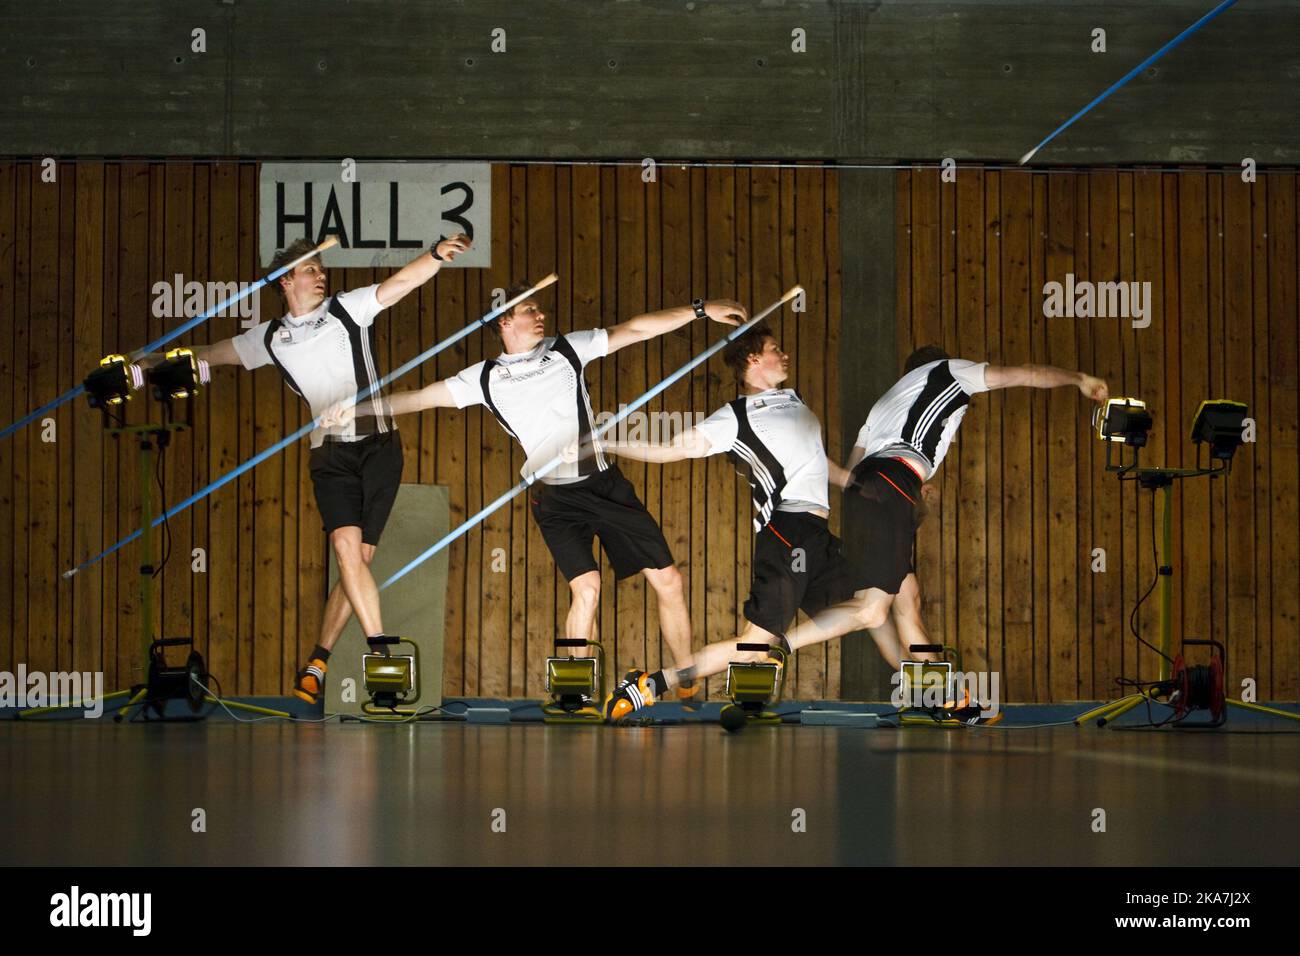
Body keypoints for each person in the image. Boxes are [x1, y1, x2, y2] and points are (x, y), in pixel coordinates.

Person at [602, 337, 1108, 723]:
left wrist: (883, 493)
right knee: (852, 613)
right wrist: (1079, 378)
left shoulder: (810, 406)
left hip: (837, 521)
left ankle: (937, 695)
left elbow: (839, 469)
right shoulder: (943, 373)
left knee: (894, 603)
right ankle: (662, 681)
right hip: (790, 530)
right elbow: (1024, 373)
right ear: (753, 360)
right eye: (774, 349)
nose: (784, 354)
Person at [323, 288, 746, 703]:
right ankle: (573, 693)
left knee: (668, 580)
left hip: (604, 485)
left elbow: (634, 330)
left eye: (539, 309)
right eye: (529, 310)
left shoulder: (566, 350)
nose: (540, 315)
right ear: (505, 322)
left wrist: (700, 310)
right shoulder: (484, 378)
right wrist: (356, 409)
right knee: (587, 588)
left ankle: (685, 677)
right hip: (555, 499)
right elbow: (419, 398)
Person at [141, 233, 472, 704]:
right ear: (285, 281)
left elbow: (401, 283)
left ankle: (316, 662)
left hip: (379, 447)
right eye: (311, 269)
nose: (321, 275)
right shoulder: (270, 338)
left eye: (321, 269)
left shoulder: (346, 309)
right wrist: (144, 363)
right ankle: (381, 656)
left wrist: (436, 257)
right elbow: (211, 355)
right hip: (330, 455)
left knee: (357, 560)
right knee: (344, 548)